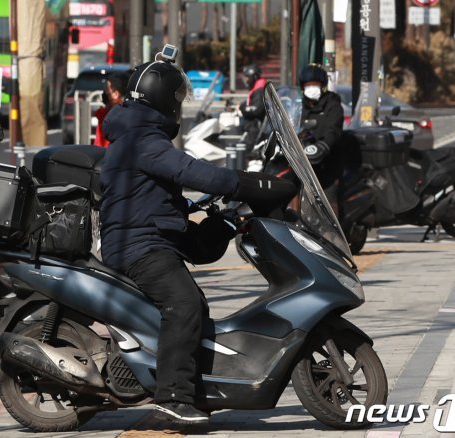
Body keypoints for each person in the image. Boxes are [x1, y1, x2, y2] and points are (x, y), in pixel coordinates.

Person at [99, 53, 296, 424]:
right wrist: (249, 184)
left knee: (196, 303)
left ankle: (197, 387)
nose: (179, 107)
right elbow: (192, 172)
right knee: (184, 303)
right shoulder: (143, 140)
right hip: (138, 245)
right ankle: (172, 397)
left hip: (146, 236)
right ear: (164, 100)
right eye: (177, 99)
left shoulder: (136, 134)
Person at [298, 63, 344, 211]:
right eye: (308, 85)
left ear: (323, 86)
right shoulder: (299, 106)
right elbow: (291, 124)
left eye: (315, 84)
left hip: (327, 162)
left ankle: (332, 225)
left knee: (327, 205)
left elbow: (333, 130)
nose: (311, 88)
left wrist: (323, 146)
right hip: (302, 162)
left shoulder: (333, 105)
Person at [94, 71, 131, 147]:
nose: (106, 92)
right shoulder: (105, 114)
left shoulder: (113, 113)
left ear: (117, 93)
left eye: (109, 89)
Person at [238, 64, 267, 152]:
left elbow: (256, 109)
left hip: (254, 128)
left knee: (242, 151)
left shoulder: (260, 90)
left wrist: (242, 108)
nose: (246, 81)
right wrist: (242, 105)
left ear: (254, 77)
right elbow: (251, 102)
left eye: (248, 78)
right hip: (252, 126)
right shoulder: (257, 88)